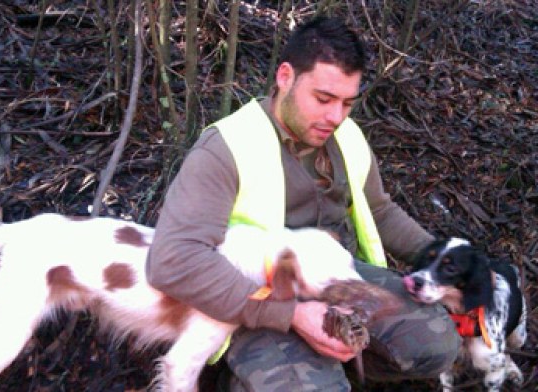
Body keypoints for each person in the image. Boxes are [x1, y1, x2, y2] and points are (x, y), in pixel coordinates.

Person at [147, 16, 460, 391]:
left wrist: (448, 258)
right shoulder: (226, 147)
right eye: (323, 99)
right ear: (285, 77)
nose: (335, 117)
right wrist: (290, 315)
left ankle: (322, 361)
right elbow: (173, 259)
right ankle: (255, 375)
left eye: (347, 103)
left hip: (334, 277)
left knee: (437, 342)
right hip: (253, 294)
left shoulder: (347, 136)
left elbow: (378, 210)